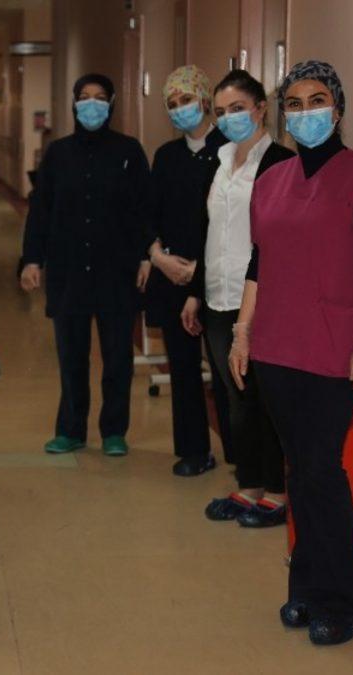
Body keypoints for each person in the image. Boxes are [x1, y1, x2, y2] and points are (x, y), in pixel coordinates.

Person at [228, 61, 353, 646]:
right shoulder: (272, 180)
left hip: (334, 348)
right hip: (276, 346)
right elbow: (259, 263)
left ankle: (345, 600)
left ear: (339, 108)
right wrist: (243, 332)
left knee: (322, 470)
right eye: (295, 104)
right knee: (299, 470)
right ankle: (305, 588)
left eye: (317, 99)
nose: (306, 112)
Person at [181, 70, 294, 523]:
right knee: (235, 397)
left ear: (261, 109)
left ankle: (278, 492)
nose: (229, 118)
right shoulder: (220, 160)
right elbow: (208, 231)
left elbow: (280, 242)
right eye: (221, 111)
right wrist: (195, 293)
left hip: (261, 300)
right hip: (217, 297)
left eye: (237, 109)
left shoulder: (281, 163)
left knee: (266, 398)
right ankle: (249, 486)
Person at [19, 73, 151, 457]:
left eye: (100, 97)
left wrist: (146, 255)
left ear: (111, 103)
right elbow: (40, 211)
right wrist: (32, 259)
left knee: (118, 359)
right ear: (74, 103)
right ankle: (71, 429)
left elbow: (144, 208)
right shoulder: (58, 154)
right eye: (85, 96)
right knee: (71, 358)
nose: (92, 103)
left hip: (117, 271)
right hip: (69, 271)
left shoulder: (129, 151)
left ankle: (114, 431)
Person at [145, 64, 230, 476]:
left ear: (206, 100)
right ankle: (194, 451)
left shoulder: (230, 150)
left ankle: (241, 456)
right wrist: (158, 257)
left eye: (187, 100)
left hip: (217, 277)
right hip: (171, 275)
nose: (181, 108)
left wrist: (199, 269)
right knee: (182, 368)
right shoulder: (166, 157)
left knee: (227, 371)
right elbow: (148, 214)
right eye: (173, 103)